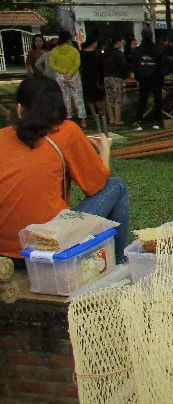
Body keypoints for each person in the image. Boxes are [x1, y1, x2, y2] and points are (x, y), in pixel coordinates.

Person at [0, 76, 130, 265]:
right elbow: (95, 185)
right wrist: (105, 151)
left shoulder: (2, 137)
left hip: (6, 253)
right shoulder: (66, 131)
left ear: (20, 109)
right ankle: (119, 261)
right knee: (116, 186)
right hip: (48, 247)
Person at [49, 30, 86, 128]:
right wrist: (69, 73)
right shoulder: (74, 51)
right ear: (69, 39)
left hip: (61, 76)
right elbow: (77, 64)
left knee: (65, 98)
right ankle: (83, 120)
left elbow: (52, 64)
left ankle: (68, 118)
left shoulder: (54, 51)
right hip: (74, 76)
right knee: (78, 98)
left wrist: (63, 72)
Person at [133, 28, 164, 131]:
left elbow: (136, 66)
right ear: (151, 36)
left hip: (143, 77)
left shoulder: (138, 50)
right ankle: (157, 121)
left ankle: (138, 121)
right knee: (158, 99)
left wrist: (138, 77)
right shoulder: (158, 48)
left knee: (142, 99)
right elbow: (161, 64)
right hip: (156, 77)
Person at [103, 36, 130, 126]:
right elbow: (125, 65)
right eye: (121, 42)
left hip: (107, 78)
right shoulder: (118, 54)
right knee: (117, 99)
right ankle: (117, 120)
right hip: (117, 78)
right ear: (117, 43)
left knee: (109, 99)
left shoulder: (106, 53)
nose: (122, 44)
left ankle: (111, 119)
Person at [80, 37, 104, 125]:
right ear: (94, 43)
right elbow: (101, 68)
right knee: (100, 99)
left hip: (86, 79)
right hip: (97, 78)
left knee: (90, 99)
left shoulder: (81, 53)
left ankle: (95, 116)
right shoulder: (97, 53)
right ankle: (103, 116)